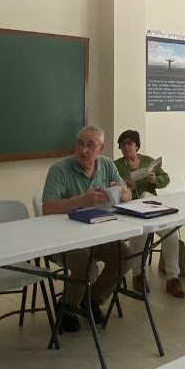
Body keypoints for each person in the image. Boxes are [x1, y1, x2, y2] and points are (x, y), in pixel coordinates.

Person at [41, 125, 132, 330]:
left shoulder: (107, 165)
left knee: (125, 257)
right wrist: (81, 200)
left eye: (91, 146)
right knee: (88, 267)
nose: (84, 150)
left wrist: (123, 193)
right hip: (64, 238)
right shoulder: (60, 169)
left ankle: (92, 299)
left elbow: (127, 195)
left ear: (101, 148)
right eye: (80, 144)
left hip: (98, 232)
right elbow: (47, 208)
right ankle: (68, 306)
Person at [113, 130, 184, 299]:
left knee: (172, 234)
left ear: (137, 145)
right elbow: (113, 189)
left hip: (152, 207)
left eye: (129, 143)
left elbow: (165, 179)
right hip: (130, 209)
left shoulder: (147, 161)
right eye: (122, 144)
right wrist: (124, 186)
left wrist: (155, 180)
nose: (126, 147)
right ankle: (137, 275)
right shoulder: (116, 165)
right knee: (141, 233)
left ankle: (173, 277)